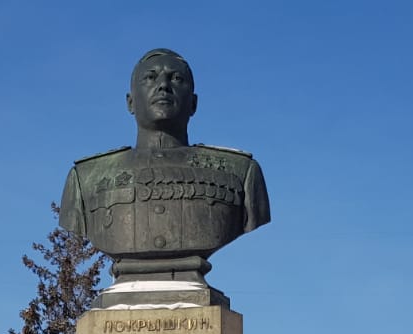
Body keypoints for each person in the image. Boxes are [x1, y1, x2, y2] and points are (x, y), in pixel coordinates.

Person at [60, 48, 270, 286]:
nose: (163, 86)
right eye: (150, 78)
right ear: (130, 102)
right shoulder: (84, 177)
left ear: (193, 103)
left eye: (176, 79)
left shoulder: (240, 171)